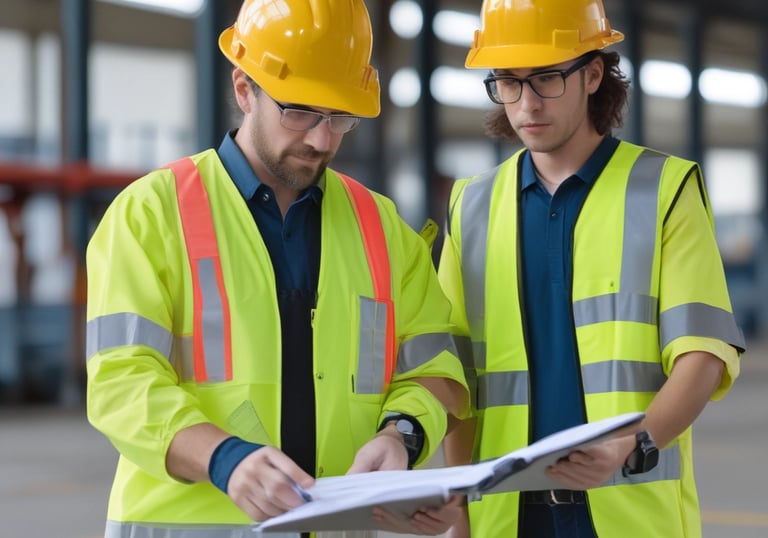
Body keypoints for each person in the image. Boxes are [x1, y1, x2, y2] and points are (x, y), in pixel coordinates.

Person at [84, 1, 469, 537]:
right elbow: (121, 383)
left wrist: (399, 436)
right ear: (244, 88)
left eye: (339, 116)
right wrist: (224, 459)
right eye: (301, 110)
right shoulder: (151, 213)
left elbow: (437, 370)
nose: (321, 139)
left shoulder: (381, 227)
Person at [437, 1, 745, 537]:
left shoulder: (665, 190)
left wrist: (634, 445)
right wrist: (461, 510)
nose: (527, 103)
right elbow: (454, 373)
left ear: (594, 74)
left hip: (630, 511)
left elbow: (703, 356)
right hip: (506, 516)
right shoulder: (473, 206)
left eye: (548, 79)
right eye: (509, 82)